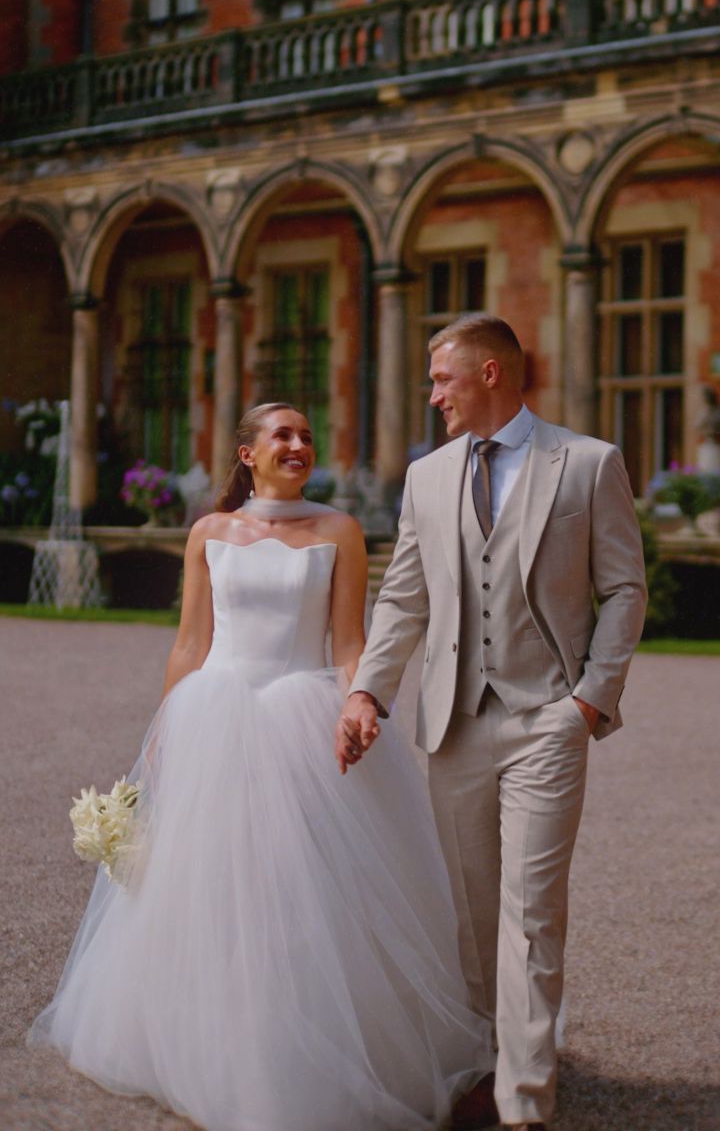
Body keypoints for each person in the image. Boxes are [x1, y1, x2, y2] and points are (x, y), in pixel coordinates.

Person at [29, 402, 494, 1131]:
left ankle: (312, 1048)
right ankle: (214, 1045)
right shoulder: (209, 532)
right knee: (210, 887)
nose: (299, 444)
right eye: (283, 435)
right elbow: (190, 642)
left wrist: (356, 705)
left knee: (306, 889)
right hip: (215, 715)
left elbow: (349, 643)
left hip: (305, 718)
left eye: (308, 434)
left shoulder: (339, 530)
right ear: (247, 453)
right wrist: (161, 732)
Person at [338, 314, 648, 1131]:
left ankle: (525, 1103)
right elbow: (404, 597)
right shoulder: (427, 478)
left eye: (443, 378)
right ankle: (483, 1064)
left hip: (548, 717)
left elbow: (624, 589)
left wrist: (588, 699)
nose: (432, 393)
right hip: (452, 723)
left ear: (489, 375)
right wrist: (371, 693)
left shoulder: (586, 463)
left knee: (532, 912)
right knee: (471, 919)